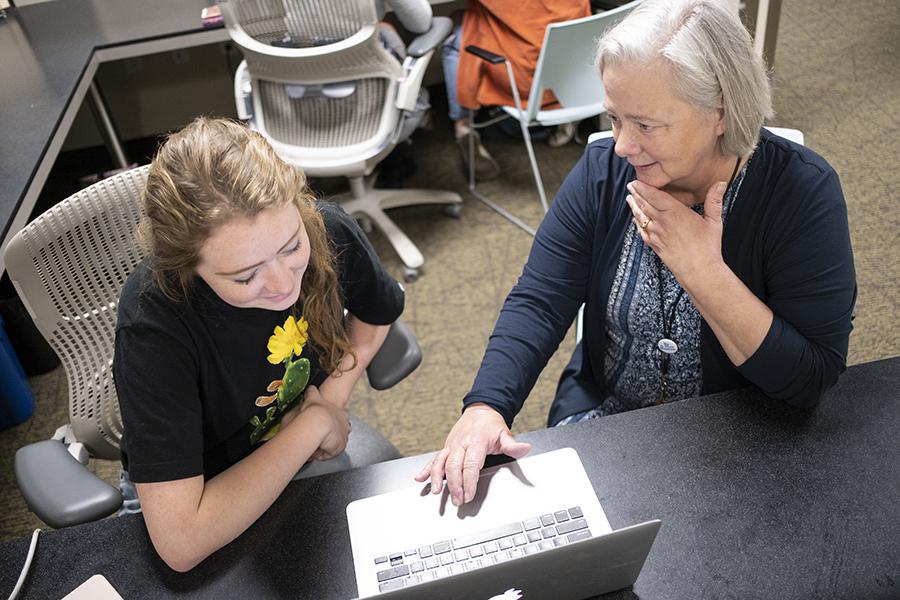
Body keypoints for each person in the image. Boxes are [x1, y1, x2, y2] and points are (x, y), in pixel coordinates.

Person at [418, 0, 857, 507]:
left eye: (645, 125)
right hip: (611, 423)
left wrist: (705, 273)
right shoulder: (605, 170)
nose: (621, 143)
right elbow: (540, 299)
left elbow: (809, 379)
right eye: (614, 117)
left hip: (747, 436)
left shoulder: (802, 192)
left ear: (720, 110)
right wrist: (486, 406)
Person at [113, 117, 404, 571]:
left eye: (291, 248)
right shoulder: (155, 320)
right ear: (188, 269)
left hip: (295, 449)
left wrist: (332, 397)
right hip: (203, 491)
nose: (283, 283)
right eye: (246, 275)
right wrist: (314, 425)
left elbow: (377, 313)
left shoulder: (326, 228)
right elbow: (182, 543)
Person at [441, 1, 591, 180]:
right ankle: (564, 121)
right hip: (572, 77)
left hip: (525, 81)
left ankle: (464, 128)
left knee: (455, 27)